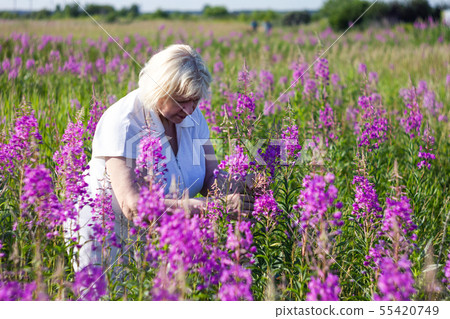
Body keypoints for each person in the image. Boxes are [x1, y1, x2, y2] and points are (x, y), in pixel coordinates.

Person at [66, 44, 254, 271]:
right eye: (181, 100)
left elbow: (210, 177)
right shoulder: (125, 120)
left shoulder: (192, 119)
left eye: (195, 100)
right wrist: (211, 208)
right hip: (106, 232)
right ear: (159, 90)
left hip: (162, 233)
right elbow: (132, 205)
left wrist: (242, 185)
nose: (189, 109)